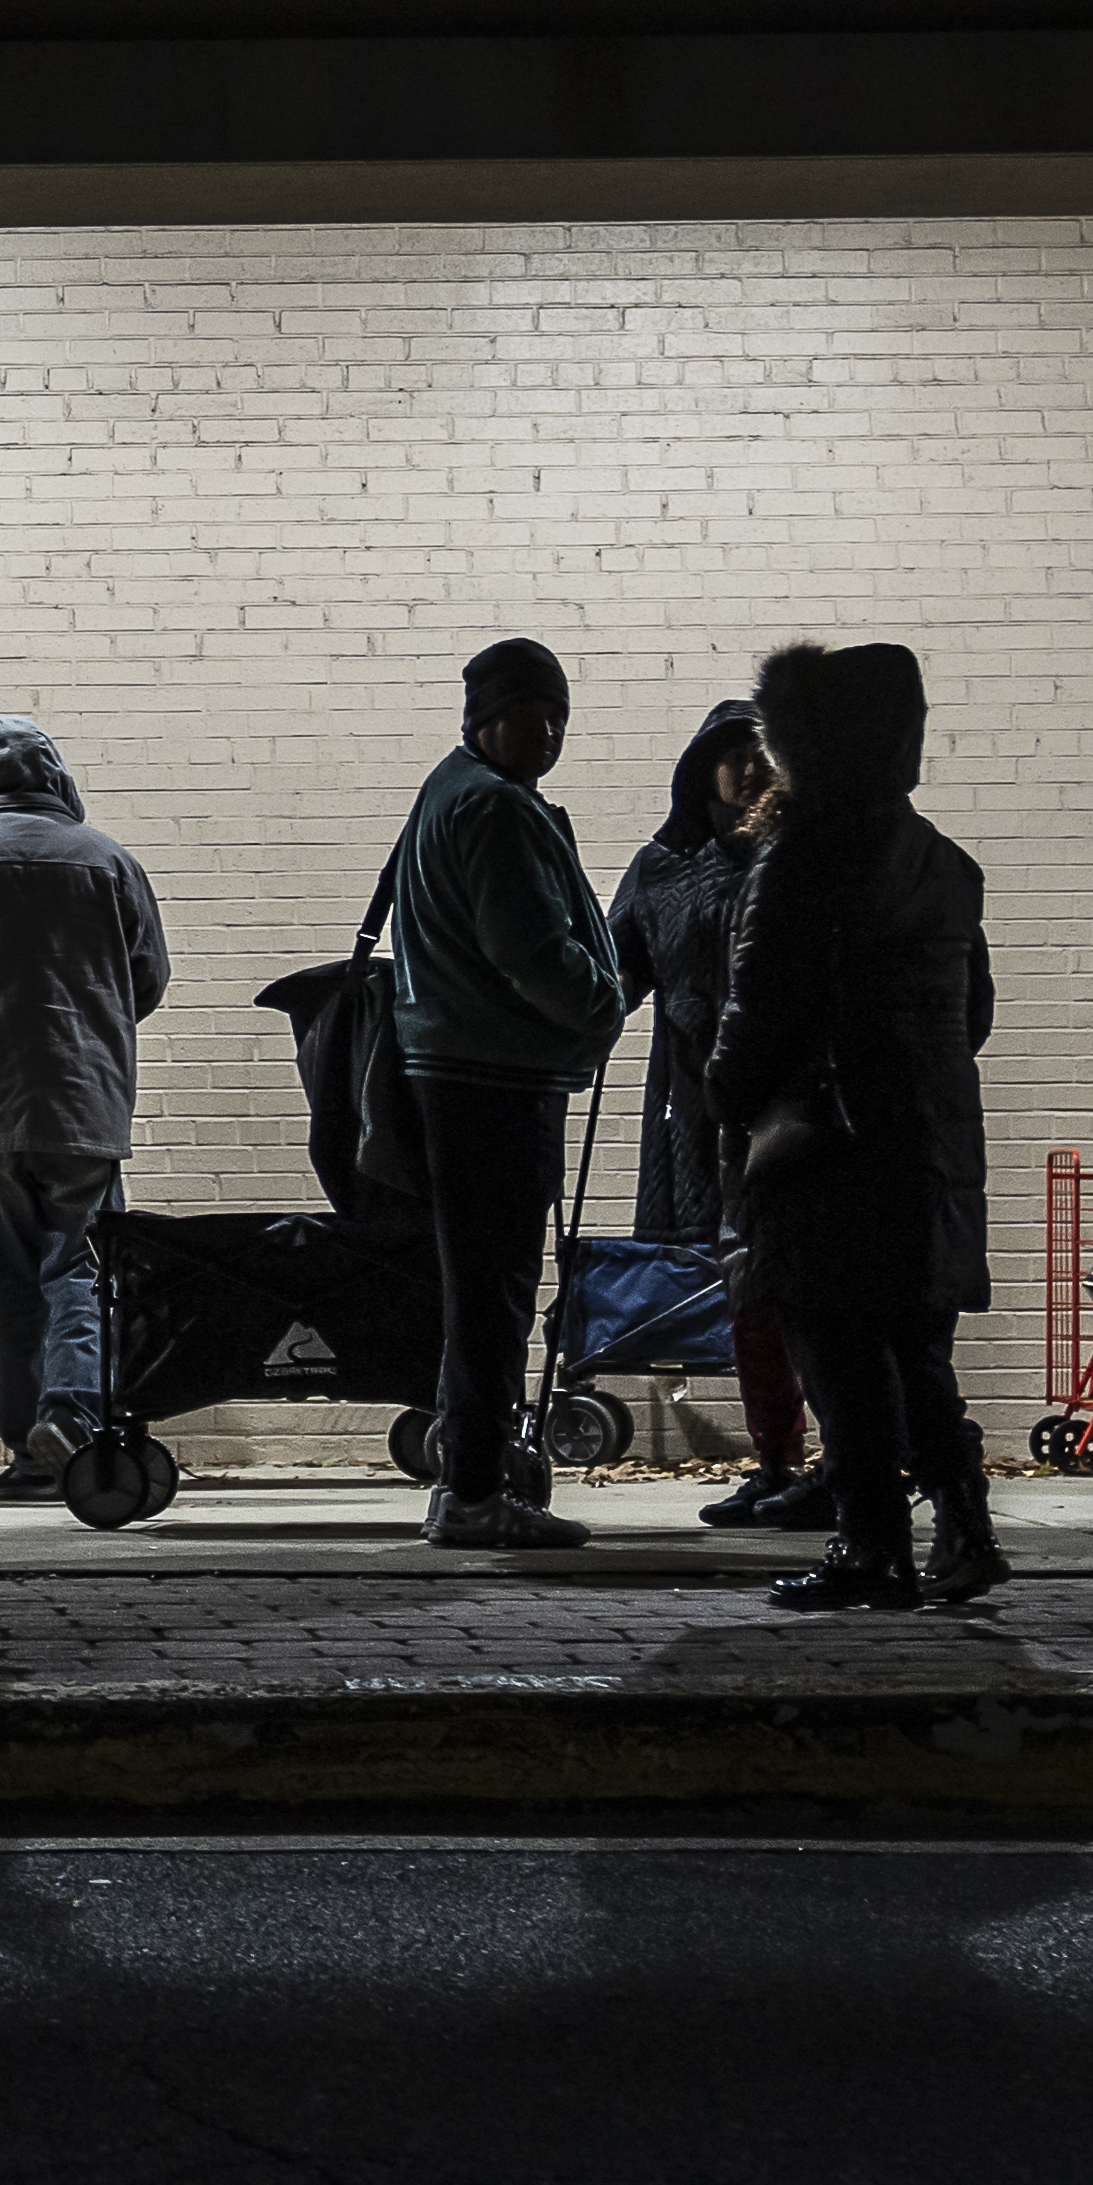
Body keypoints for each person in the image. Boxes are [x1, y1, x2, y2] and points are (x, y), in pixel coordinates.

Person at [708, 643, 1002, 1613]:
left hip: (826, 1149)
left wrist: (724, 1093)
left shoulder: (802, 855)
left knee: (835, 1348)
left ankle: (873, 1543)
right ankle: (964, 1525)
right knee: (916, 1351)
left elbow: (759, 1011)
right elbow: (979, 1015)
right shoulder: (946, 865)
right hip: (930, 1145)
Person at [383, 639, 629, 1552]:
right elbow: (531, 949)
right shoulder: (494, 808)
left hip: (460, 1075)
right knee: (497, 1294)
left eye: (558, 715)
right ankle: (479, 1491)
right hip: (497, 1080)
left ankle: (471, 1480)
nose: (550, 732)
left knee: (479, 1290)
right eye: (531, 714)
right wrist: (601, 1009)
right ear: (484, 717)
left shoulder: (451, 792)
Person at [0, 715, 170, 1493]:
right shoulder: (107, 859)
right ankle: (69, 1413)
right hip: (82, 1099)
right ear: (59, 779)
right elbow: (149, 977)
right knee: (81, 1266)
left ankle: (30, 1456)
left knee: (6, 1281)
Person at [612, 701, 812, 1529]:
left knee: (802, 1277)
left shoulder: (797, 857)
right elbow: (613, 969)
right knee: (744, 1281)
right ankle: (776, 1459)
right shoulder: (663, 868)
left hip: (791, 1097)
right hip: (700, 1097)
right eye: (731, 753)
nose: (748, 766)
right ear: (701, 768)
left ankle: (840, 1461)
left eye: (761, 751)